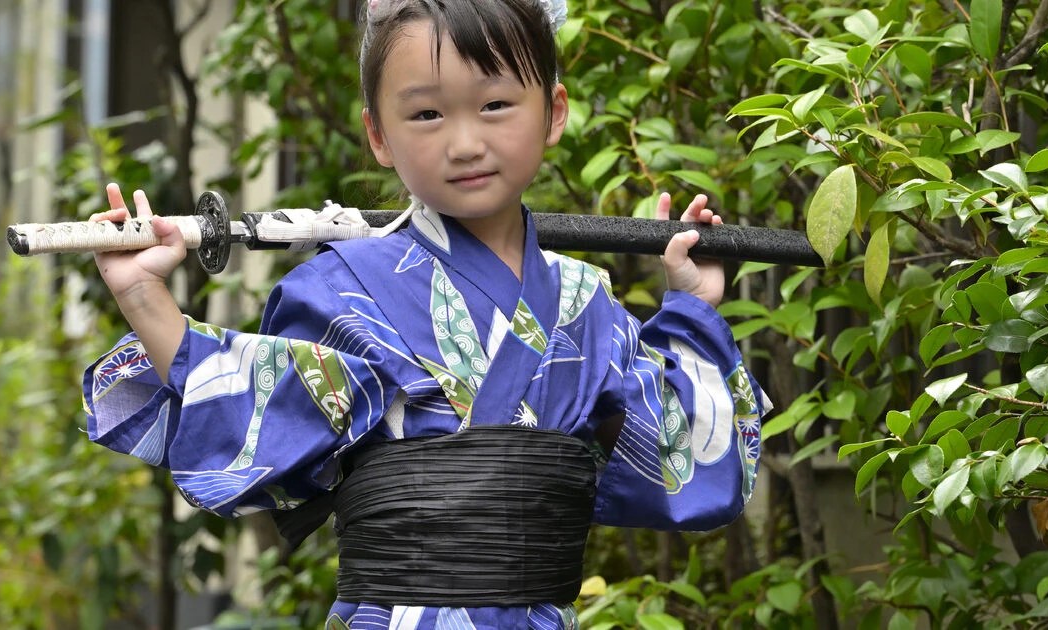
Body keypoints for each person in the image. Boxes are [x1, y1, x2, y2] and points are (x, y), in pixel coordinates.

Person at [83, 0, 769, 627]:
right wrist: (143, 296)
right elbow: (255, 410)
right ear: (378, 135)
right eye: (427, 115)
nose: (464, 142)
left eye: (496, 104)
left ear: (553, 112)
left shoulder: (586, 303)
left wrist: (691, 304)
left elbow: (686, 460)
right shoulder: (346, 289)